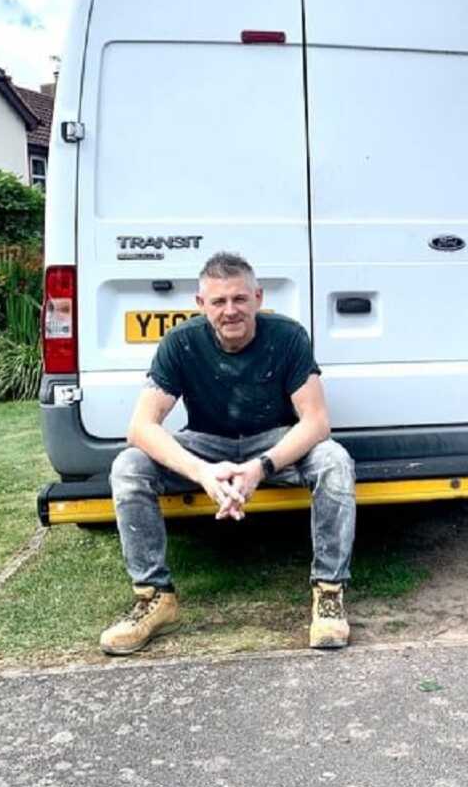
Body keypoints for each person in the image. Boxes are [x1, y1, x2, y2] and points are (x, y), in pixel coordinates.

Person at [100, 251, 356, 656]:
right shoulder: (180, 343)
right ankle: (154, 597)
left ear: (258, 298)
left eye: (239, 299)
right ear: (201, 305)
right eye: (218, 301)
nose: (230, 310)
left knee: (334, 460)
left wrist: (261, 467)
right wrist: (203, 473)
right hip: (208, 445)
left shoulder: (288, 336)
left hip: (271, 441)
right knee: (129, 464)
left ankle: (329, 593)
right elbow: (141, 427)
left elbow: (316, 421)